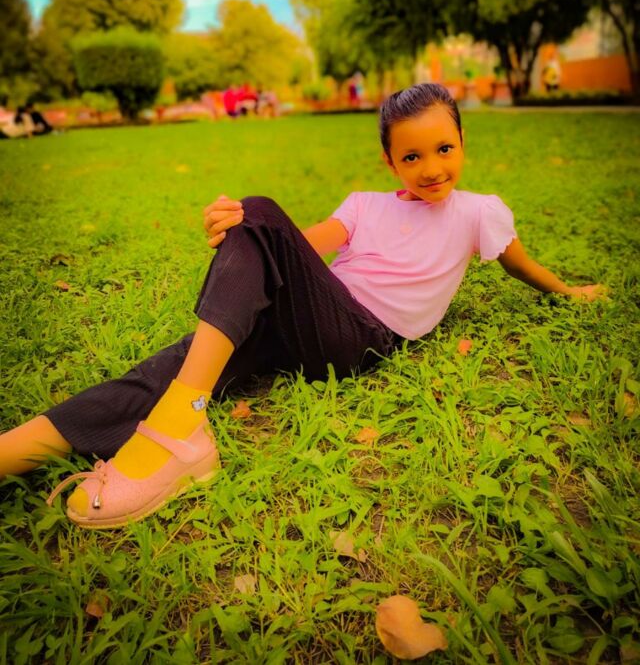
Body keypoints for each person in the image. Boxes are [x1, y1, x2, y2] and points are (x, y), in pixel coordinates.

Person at [0, 83, 606, 529]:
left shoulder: (479, 211)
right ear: (390, 161)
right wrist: (240, 231)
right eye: (412, 157)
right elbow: (301, 247)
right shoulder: (366, 204)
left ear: (463, 144)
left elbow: (520, 264)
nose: (431, 169)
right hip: (307, 318)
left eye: (444, 149)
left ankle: (180, 424)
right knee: (176, 363)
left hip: (362, 336)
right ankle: (18, 450)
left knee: (259, 211)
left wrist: (567, 291)